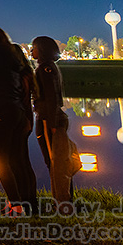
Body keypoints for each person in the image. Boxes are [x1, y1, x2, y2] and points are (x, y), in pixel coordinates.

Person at [0, 25, 36, 216]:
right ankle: (28, 204)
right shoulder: (15, 55)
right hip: (18, 112)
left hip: (1, 112)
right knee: (19, 160)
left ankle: (16, 205)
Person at [31, 36, 76, 207]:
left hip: (48, 120)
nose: (31, 51)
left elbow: (51, 98)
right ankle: (63, 199)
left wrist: (52, 124)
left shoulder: (45, 69)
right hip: (52, 118)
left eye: (34, 47)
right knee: (58, 162)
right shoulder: (50, 67)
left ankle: (62, 201)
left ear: (41, 49)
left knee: (55, 162)